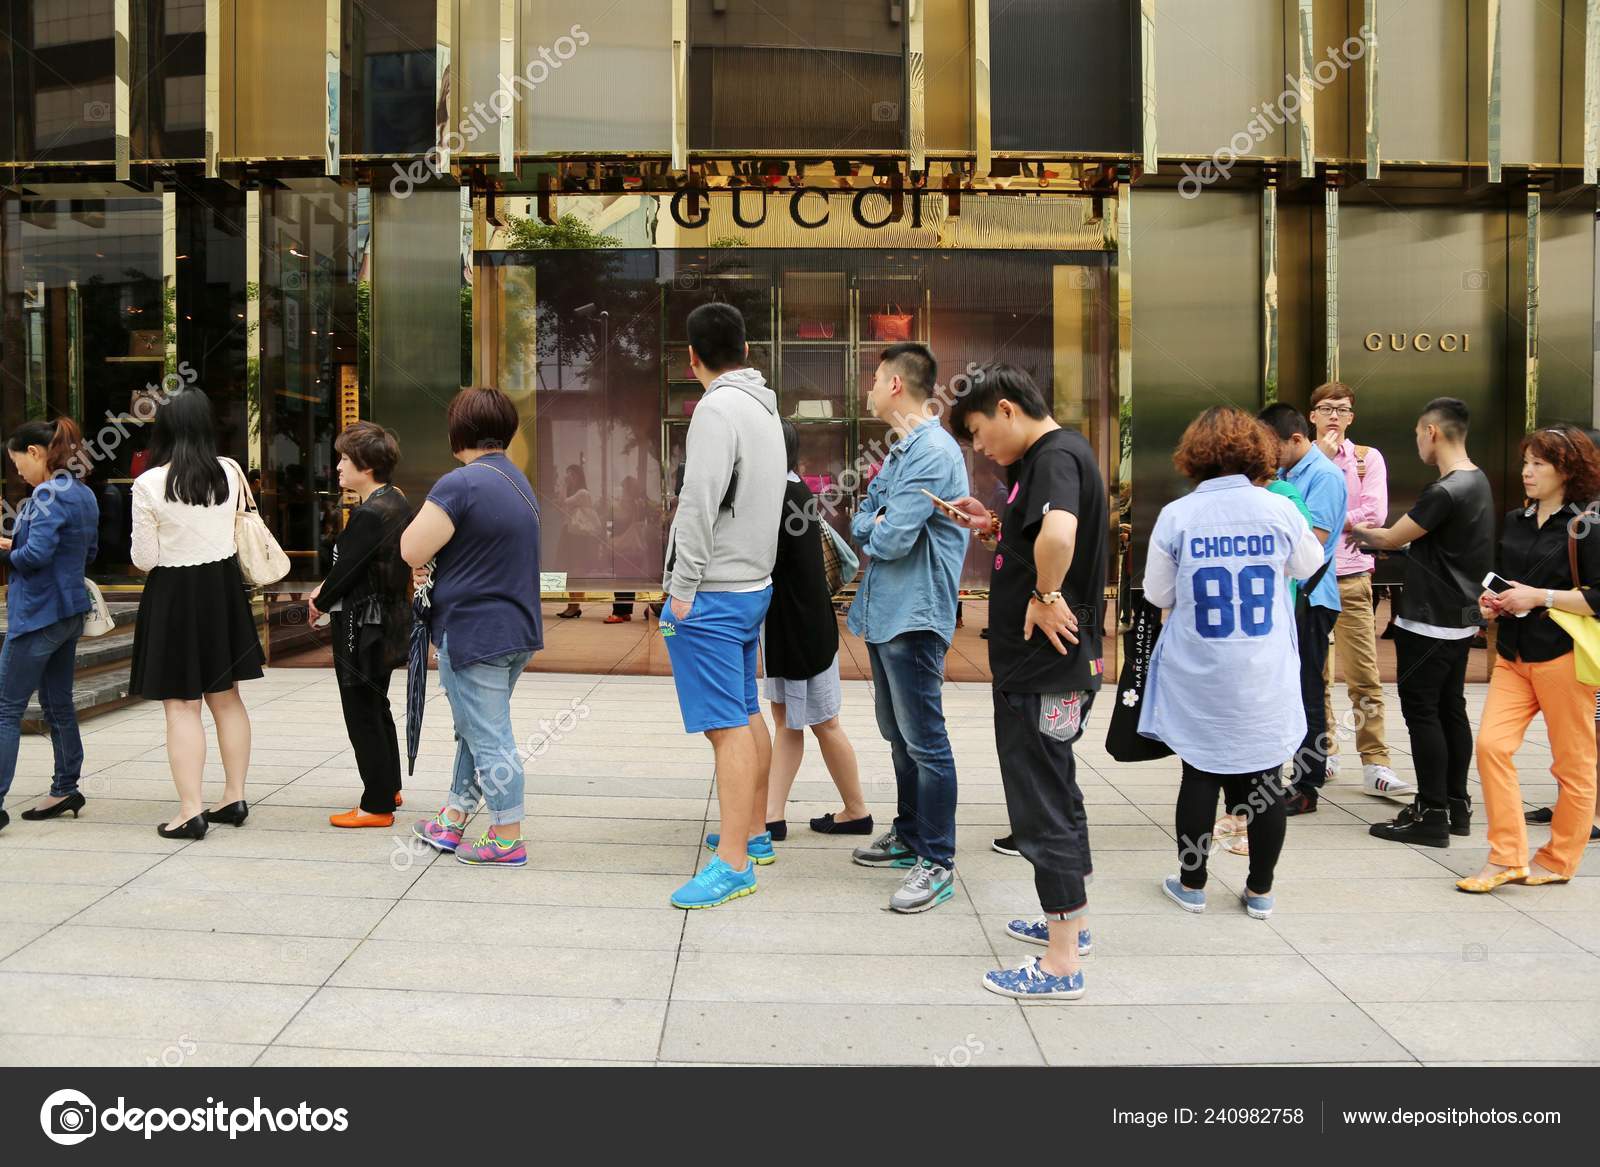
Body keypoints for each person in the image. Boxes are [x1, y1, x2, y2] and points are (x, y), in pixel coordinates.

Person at [947, 365, 1107, 1002]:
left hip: (1043, 666)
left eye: (980, 432)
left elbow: (1060, 534)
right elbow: (1042, 532)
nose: (980, 447)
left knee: (1039, 803)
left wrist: (1044, 594)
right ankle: (1072, 925)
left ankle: (1061, 963)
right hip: (1054, 666)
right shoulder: (1051, 460)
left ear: (1007, 409)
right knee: (1057, 790)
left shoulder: (1052, 456)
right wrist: (994, 526)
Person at [1140, 407, 1325, 920]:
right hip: (1263, 668)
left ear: (1194, 456)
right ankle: (1260, 891)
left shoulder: (1178, 516)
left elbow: (1157, 591)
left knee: (1199, 774)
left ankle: (1192, 883)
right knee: (1265, 778)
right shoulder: (1279, 509)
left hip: (1199, 669)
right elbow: (1309, 565)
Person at [660, 302, 786, 909]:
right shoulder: (766, 408)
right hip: (753, 585)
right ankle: (754, 833)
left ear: (692, 357)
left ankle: (733, 863)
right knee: (744, 710)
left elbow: (698, 501)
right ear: (745, 348)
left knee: (725, 729)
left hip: (711, 593)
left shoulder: (714, 409)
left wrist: (681, 590)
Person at [847, 342, 970, 913]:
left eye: (874, 376)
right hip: (885, 611)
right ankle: (910, 835)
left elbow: (889, 537)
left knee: (925, 741)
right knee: (899, 738)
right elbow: (861, 516)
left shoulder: (930, 453)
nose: (868, 386)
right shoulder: (901, 452)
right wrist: (876, 522)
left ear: (896, 384)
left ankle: (937, 859)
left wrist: (875, 524)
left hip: (914, 615)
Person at [710, 419, 869, 846]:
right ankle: (779, 814)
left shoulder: (784, 496)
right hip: (796, 629)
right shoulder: (791, 491)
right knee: (796, 722)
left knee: (821, 723)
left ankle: (842, 811)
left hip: (801, 633)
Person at [402, 386, 542, 867]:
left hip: (475, 631)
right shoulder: (519, 482)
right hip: (516, 630)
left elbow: (411, 549)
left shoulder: (459, 484)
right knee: (475, 729)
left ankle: (507, 837)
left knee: (489, 736)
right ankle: (454, 818)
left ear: (457, 431)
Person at [1459, 424, 1600, 892]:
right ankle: (1507, 857)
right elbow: (1509, 580)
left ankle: (1559, 860)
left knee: (1573, 764)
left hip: (1563, 655)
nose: (1527, 471)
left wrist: (1542, 597)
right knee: (1492, 747)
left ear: (1567, 469)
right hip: (1513, 653)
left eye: (1540, 463)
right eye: (1526, 462)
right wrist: (1493, 602)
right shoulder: (1516, 520)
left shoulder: (1587, 524)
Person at [1350, 398, 1493, 847]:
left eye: (1417, 433)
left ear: (1432, 432)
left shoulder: (1444, 490)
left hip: (1428, 621)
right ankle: (1456, 804)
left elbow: (1392, 537)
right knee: (1451, 708)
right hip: (1460, 619)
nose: (1416, 442)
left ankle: (1430, 813)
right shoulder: (1479, 481)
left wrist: (1350, 530)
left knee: (1423, 713)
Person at [128, 390, 264, 839]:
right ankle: (234, 795)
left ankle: (190, 809)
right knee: (226, 697)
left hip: (174, 594)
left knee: (181, 705)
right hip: (222, 591)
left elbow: (145, 559)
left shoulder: (149, 484)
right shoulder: (230, 471)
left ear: (163, 427)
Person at [309, 422, 413, 829]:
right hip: (386, 619)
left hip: (362, 623)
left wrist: (318, 599)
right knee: (376, 704)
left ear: (366, 466)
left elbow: (347, 571)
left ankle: (376, 804)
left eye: (345, 459)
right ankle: (388, 786)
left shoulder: (370, 513)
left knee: (361, 709)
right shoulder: (395, 501)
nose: (337, 466)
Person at [1309, 382, 1409, 799]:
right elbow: (1292, 510)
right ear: (1311, 415)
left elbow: (1376, 514)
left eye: (1343, 409)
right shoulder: (1301, 461)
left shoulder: (1369, 459)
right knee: (1315, 673)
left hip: (1351, 576)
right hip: (1310, 577)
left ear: (1352, 417)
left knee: (1364, 675)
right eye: (1326, 408)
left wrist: (1330, 516)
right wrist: (1325, 466)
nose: (1335, 415)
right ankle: (1326, 750)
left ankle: (1376, 761)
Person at [0, 418, 98, 833]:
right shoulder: (81, 494)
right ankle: (64, 787)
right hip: (68, 611)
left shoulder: (44, 495)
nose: (17, 470)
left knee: (6, 709)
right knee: (58, 705)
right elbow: (85, 550)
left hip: (37, 614)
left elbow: (34, 557)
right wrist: (15, 544)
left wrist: (7, 551)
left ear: (36, 453)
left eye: (17, 461)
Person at [1258, 402, 1347, 815]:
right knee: (1290, 689)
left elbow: (1314, 540)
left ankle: (1308, 784)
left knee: (1310, 692)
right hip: (1292, 596)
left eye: (1272, 446)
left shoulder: (1324, 476)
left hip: (1311, 597)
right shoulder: (1287, 474)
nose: (1268, 456)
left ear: (1296, 439)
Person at [1525, 425, 1600, 844]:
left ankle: (1593, 812)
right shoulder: (1573, 512)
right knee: (1575, 728)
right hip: (1576, 638)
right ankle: (1571, 803)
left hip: (1592, 639)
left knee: (1593, 729)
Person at [555, 463, 603, 619]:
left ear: (578, 476)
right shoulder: (575, 493)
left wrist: (563, 484)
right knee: (570, 569)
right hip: (571, 534)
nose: (569, 478)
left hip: (578, 537)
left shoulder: (582, 493)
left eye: (571, 475)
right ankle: (572, 604)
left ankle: (574, 605)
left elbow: (563, 502)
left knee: (576, 569)